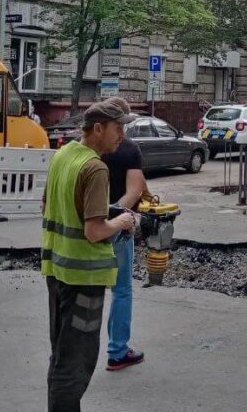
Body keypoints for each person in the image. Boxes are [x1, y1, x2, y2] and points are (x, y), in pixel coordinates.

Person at [42, 98, 139, 412]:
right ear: (98, 128)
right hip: (83, 278)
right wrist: (122, 220)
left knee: (61, 354)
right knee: (76, 362)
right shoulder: (95, 167)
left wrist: (101, 213)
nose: (121, 135)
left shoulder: (64, 154)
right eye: (117, 127)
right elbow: (95, 231)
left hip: (57, 272)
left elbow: (48, 206)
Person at [100, 98, 154, 372]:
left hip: (88, 228)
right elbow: (134, 192)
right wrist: (115, 218)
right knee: (121, 290)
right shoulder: (130, 150)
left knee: (88, 290)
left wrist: (98, 218)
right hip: (120, 230)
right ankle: (117, 351)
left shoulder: (86, 150)